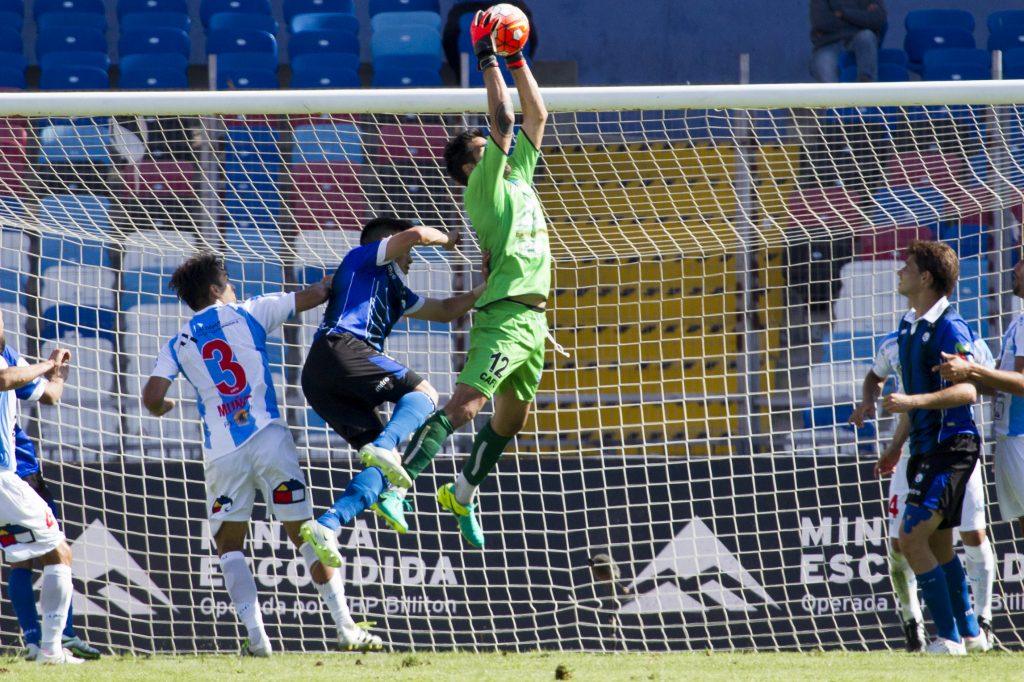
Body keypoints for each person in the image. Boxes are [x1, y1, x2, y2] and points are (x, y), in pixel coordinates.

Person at [141, 253, 382, 654]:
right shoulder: (250, 311)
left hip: (223, 454)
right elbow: (319, 293)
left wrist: (163, 406)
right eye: (229, 282)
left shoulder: (177, 342)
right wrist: (356, 267)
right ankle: (346, 628)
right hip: (269, 440)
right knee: (306, 533)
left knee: (229, 546)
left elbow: (152, 397)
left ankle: (257, 639)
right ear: (216, 289)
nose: (235, 288)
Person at [397, 8, 551, 549]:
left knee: (511, 421)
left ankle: (461, 493)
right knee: (465, 406)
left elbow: (536, 115)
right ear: (471, 167)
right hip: (505, 315)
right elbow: (505, 118)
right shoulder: (484, 187)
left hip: (534, 319)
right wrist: (488, 58)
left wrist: (517, 57)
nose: (500, 146)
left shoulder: (517, 174)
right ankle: (398, 481)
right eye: (486, 148)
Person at [298, 216, 486, 554]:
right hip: (341, 347)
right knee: (426, 394)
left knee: (388, 466)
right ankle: (384, 446)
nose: (411, 260)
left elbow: (446, 310)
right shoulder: (366, 258)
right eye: (408, 253)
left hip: (321, 379)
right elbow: (417, 234)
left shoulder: (398, 291)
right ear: (388, 243)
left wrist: (488, 285)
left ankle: (327, 524)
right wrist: (449, 239)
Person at [858, 241, 987, 654]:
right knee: (938, 546)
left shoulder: (951, 327)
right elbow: (880, 379)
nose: (900, 273)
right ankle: (971, 634)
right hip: (924, 448)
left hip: (952, 446)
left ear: (926, 277)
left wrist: (912, 401)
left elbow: (969, 390)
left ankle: (947, 639)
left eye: (907, 266)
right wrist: (897, 440)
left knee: (911, 538)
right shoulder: (908, 327)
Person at [2, 339, 102, 661]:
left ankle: (37, 642)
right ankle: (57, 642)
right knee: (56, 552)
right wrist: (50, 367)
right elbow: (11, 381)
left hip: (13, 474)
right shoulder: (6, 361)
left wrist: (56, 374)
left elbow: (49, 393)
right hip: (15, 474)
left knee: (22, 556)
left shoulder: (8, 356)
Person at [936, 256, 1024, 615]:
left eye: (1022, 263)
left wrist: (973, 369)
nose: (1014, 269)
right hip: (1008, 438)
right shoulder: (1017, 322)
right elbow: (1003, 385)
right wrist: (966, 376)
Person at [809, 0, 887, 83]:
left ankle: (866, 85)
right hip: (828, 43)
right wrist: (860, 21)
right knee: (824, 64)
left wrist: (843, 13)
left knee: (866, 36)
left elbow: (878, 19)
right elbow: (822, 23)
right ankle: (833, 92)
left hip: (858, 38)